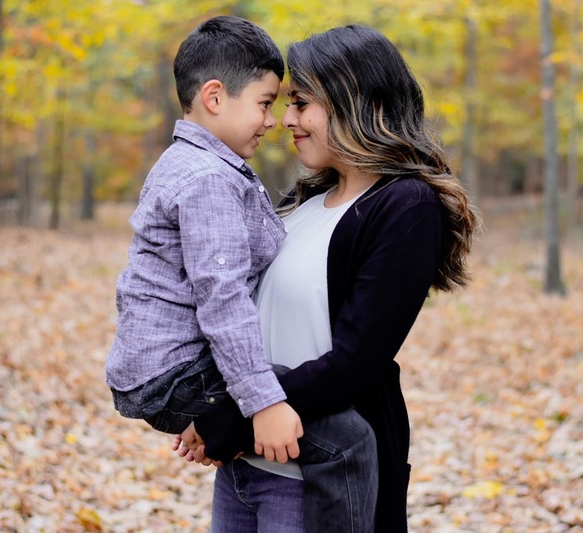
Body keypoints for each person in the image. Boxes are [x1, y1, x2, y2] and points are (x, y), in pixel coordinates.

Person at [175, 24, 479, 533]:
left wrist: (234, 416)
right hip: (244, 468)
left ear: (353, 98)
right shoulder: (301, 205)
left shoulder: (405, 207)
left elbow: (355, 363)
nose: (286, 119)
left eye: (300, 103)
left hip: (320, 479)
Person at [105, 15, 378, 533]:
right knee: (346, 439)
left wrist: (222, 415)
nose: (273, 120)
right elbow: (222, 296)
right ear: (214, 97)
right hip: (178, 373)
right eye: (265, 103)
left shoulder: (189, 162)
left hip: (165, 371)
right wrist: (261, 402)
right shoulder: (209, 179)